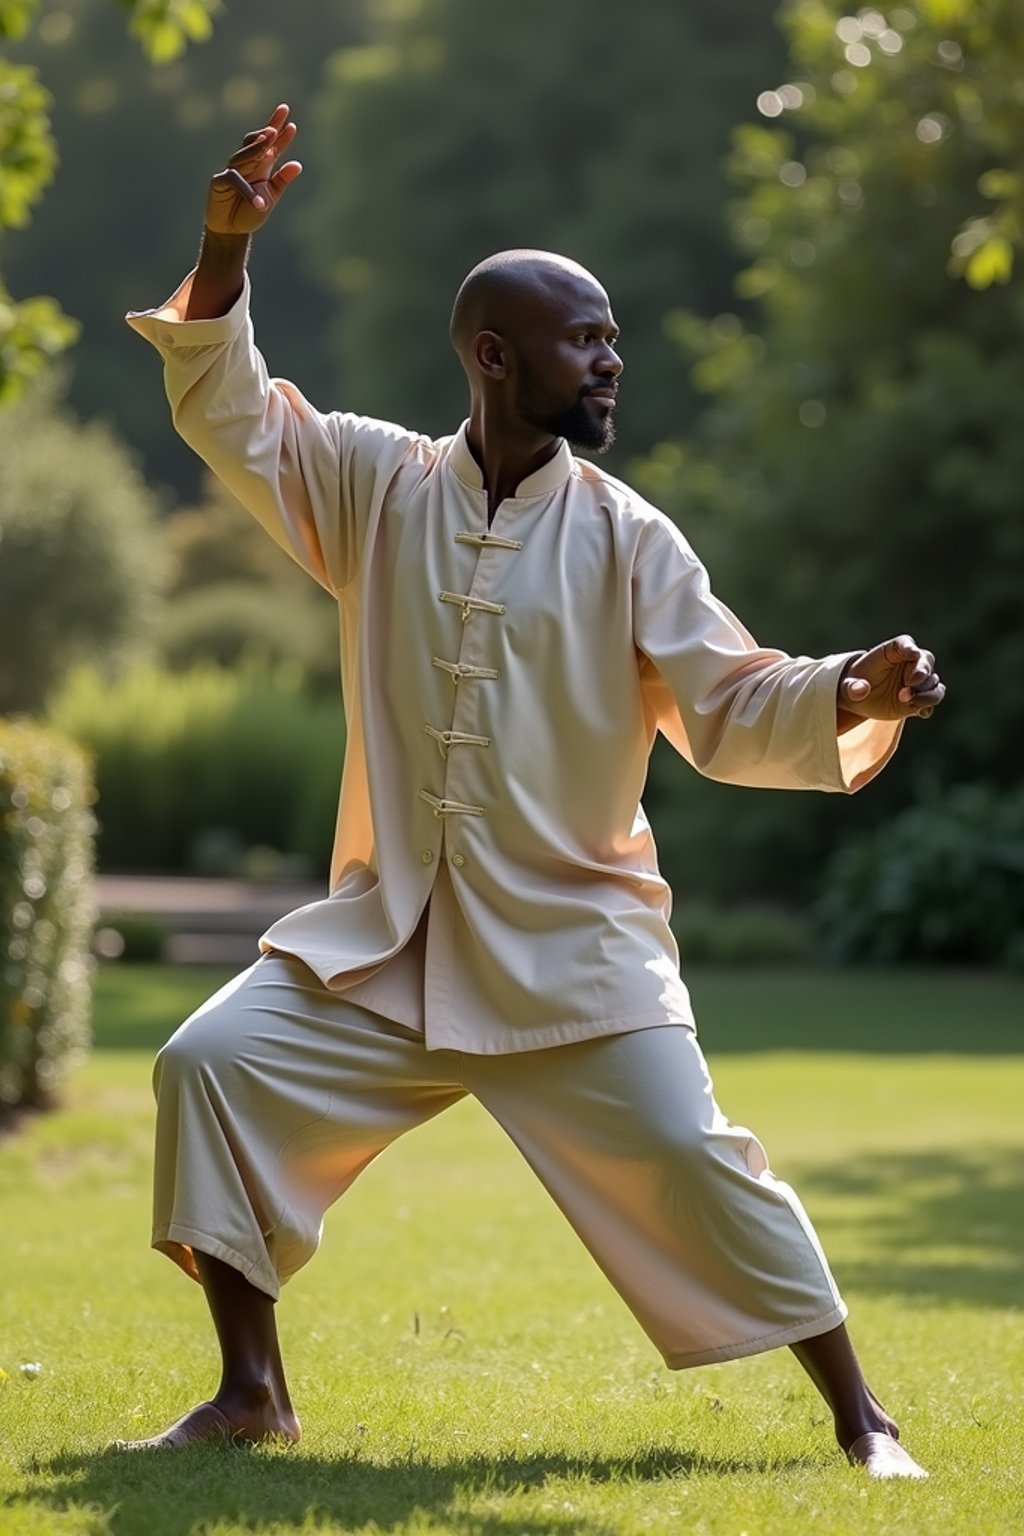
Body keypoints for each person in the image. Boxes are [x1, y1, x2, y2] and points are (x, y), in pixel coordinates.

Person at [123, 104, 944, 1478]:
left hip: (576, 957)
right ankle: (252, 1392)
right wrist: (222, 252)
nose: (611, 358)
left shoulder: (630, 536)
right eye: (587, 339)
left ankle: (866, 1421)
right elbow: (231, 411)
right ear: (496, 357)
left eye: (613, 336)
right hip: (388, 944)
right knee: (208, 1067)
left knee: (701, 1158)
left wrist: (852, 684)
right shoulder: (376, 484)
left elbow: (734, 701)